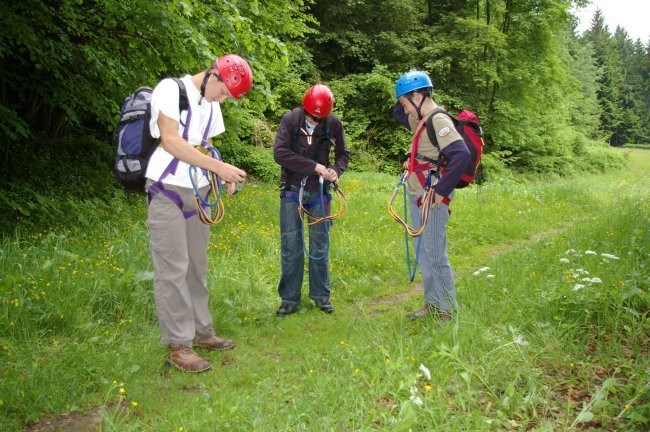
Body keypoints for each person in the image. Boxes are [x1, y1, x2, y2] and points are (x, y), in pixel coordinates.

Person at [145, 54, 252, 372]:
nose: (222, 100)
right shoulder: (170, 89)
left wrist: (219, 175)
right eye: (222, 93)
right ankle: (179, 344)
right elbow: (171, 141)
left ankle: (202, 332)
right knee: (172, 268)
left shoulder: (213, 105)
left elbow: (206, 146)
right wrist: (218, 167)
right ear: (214, 76)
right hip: (166, 190)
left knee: (196, 265)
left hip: (199, 192)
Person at [393, 70, 470, 320]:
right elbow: (398, 115)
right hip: (418, 194)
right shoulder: (421, 119)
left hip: (432, 197)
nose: (404, 111)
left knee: (435, 254)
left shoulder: (438, 120)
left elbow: (461, 154)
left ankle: (447, 310)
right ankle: (432, 304)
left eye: (405, 104)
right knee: (424, 252)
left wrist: (440, 191)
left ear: (417, 96)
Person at [273, 84, 350, 316]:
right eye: (312, 117)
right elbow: (280, 154)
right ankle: (289, 299)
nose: (315, 121)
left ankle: (321, 296)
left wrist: (336, 169)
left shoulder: (333, 124)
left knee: (320, 245)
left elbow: (343, 154)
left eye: (320, 118)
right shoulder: (290, 120)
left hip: (320, 193)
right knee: (291, 246)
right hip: (292, 189)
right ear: (305, 108)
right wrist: (315, 166)